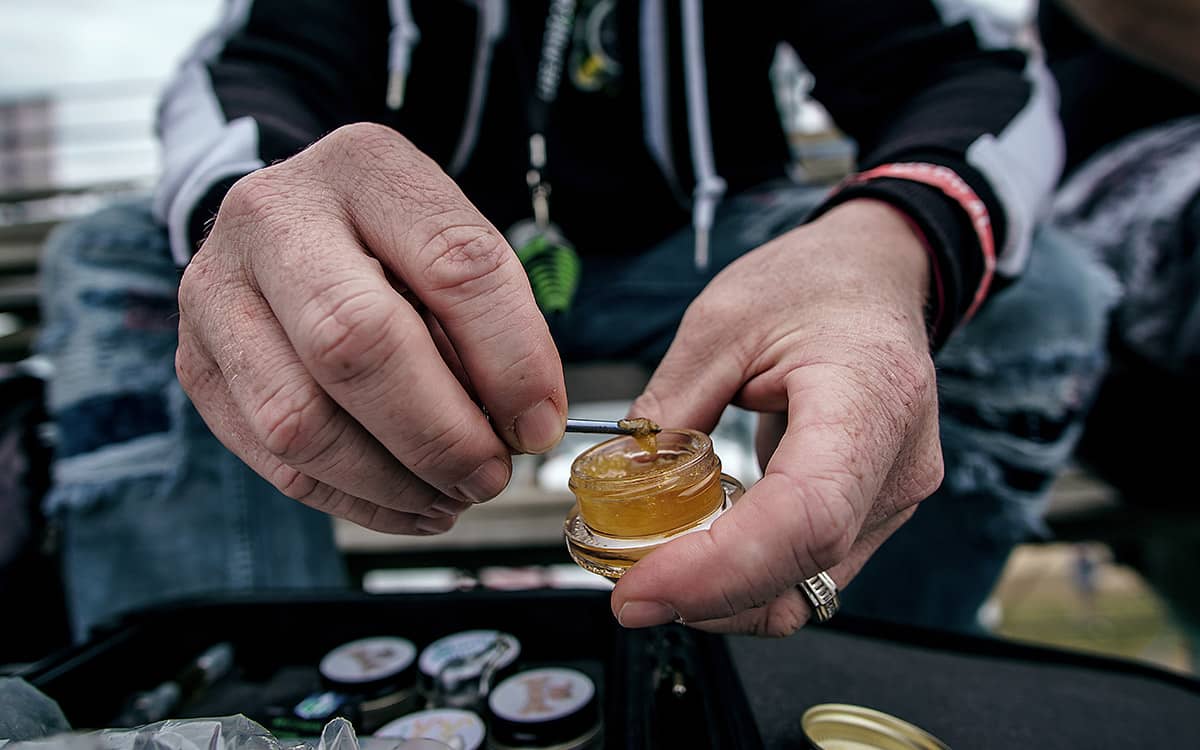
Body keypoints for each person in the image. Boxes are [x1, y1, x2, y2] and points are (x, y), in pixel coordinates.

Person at [37, 0, 1111, 641]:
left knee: (1041, 288)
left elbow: (973, 73)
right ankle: (225, 691)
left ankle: (859, 683)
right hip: (408, 262)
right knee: (128, 254)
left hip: (712, 251)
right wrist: (261, 207)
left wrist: (887, 242)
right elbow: (252, 64)